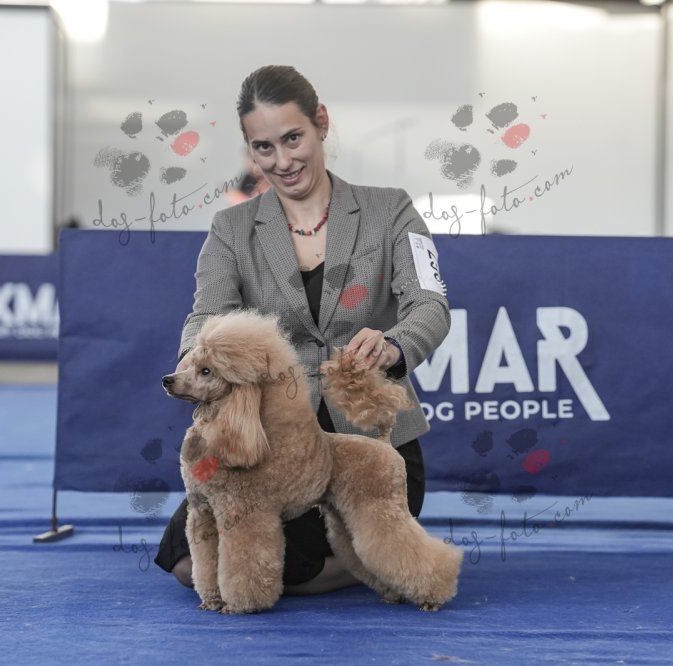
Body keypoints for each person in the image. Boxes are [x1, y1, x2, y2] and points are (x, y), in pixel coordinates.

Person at [154, 65, 451, 595]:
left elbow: (431, 303)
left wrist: (394, 344)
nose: (282, 161)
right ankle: (358, 563)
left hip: (365, 442)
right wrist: (194, 361)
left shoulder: (391, 210)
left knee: (274, 562)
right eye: (263, 148)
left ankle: (370, 557)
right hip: (267, 443)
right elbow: (206, 313)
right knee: (185, 559)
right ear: (250, 148)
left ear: (321, 123)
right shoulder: (230, 229)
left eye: (293, 139)